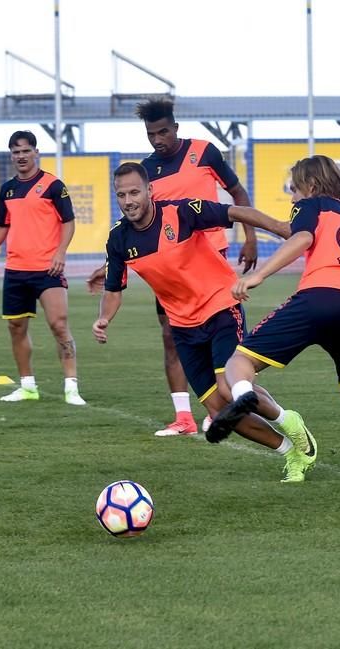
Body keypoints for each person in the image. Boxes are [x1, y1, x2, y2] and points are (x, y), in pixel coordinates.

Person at [207, 155, 340, 514]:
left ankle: (243, 395)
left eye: (294, 189)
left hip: (318, 299)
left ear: (310, 185)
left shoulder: (311, 206)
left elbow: (303, 236)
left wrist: (261, 275)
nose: (292, 198)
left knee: (240, 362)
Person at [92, 162, 317, 483]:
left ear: (149, 191)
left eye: (134, 192)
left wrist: (281, 228)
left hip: (221, 308)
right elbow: (114, 289)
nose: (128, 201)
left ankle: (288, 420)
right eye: (121, 195)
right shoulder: (118, 239)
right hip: (183, 328)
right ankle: (290, 452)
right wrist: (103, 318)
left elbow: (235, 212)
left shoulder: (181, 213)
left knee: (229, 388)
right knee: (218, 410)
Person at [88, 98, 258, 437]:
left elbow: (236, 192)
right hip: (167, 271)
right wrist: (107, 265)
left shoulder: (204, 152)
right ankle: (185, 417)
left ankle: (232, 394)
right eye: (151, 134)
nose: (157, 139)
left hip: (208, 264)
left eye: (163, 131)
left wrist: (249, 237)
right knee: (172, 337)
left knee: (218, 339)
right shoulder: (144, 171)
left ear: (176, 128)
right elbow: (137, 227)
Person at [0, 130, 86, 406]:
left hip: (47, 269)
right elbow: (2, 226)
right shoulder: (8, 189)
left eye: (26, 151)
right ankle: (27, 386)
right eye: (16, 152)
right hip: (15, 269)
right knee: (16, 327)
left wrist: (60, 252)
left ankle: (71, 387)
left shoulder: (53, 185)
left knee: (59, 325)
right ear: (11, 156)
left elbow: (68, 222)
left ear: (36, 152)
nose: (21, 156)